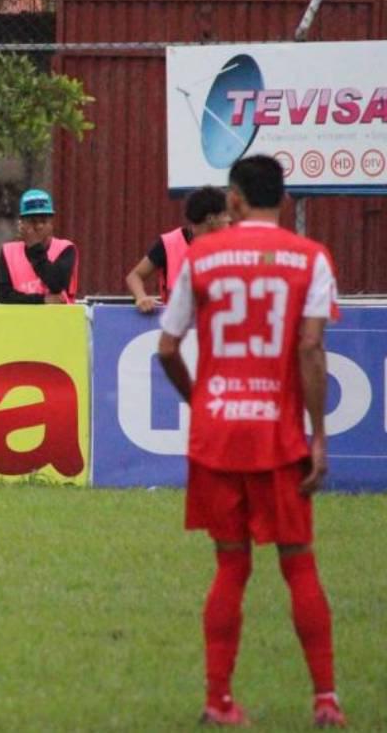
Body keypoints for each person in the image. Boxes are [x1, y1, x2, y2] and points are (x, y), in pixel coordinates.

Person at [156, 155, 345, 728]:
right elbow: (311, 349)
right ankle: (325, 701)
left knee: (231, 567)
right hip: (277, 436)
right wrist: (317, 436)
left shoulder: (201, 256)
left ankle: (218, 700)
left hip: (217, 435)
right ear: (283, 200)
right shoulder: (310, 258)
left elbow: (166, 349)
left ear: (234, 200)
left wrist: (200, 401)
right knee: (299, 564)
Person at [125, 185, 227, 312]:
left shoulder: (232, 246)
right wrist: (141, 298)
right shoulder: (169, 244)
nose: (229, 220)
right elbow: (134, 276)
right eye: (225, 216)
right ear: (211, 219)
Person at [0, 188, 78, 304]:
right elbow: (4, 296)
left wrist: (34, 247)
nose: (39, 226)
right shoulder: (8, 252)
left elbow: (57, 285)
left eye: (43, 221)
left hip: (57, 320)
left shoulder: (65, 249)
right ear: (22, 224)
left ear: (51, 223)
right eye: (33, 221)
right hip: (21, 319)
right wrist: (42, 300)